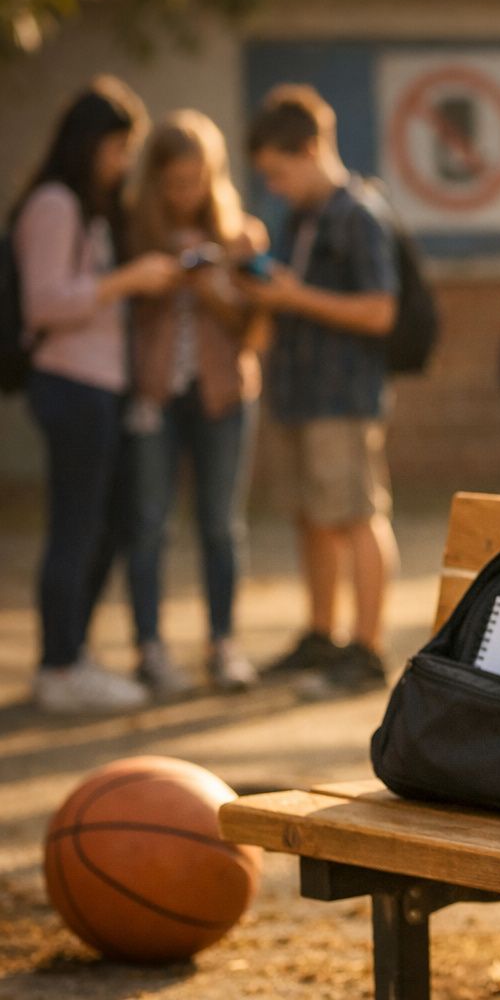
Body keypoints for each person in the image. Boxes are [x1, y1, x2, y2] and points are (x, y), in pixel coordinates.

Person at [15, 76, 183, 714]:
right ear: (90, 143)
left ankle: (74, 653)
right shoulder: (54, 204)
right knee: (76, 527)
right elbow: (45, 302)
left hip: (102, 387)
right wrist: (125, 281)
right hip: (69, 384)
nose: (123, 164)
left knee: (104, 526)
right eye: (118, 148)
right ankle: (59, 665)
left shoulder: (91, 208)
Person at [239, 84, 398, 694]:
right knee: (311, 517)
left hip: (344, 395)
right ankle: (322, 634)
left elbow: (381, 311)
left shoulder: (359, 213)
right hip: (296, 390)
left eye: (279, 172)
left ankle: (366, 648)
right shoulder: (299, 216)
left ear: (310, 149)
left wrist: (292, 296)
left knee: (354, 514)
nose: (273, 187)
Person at [124, 110, 267, 695]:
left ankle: (223, 643)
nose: (185, 194)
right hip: (155, 394)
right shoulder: (132, 233)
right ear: (155, 181)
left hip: (223, 395)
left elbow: (256, 327)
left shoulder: (242, 236)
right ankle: (150, 648)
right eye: (174, 183)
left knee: (220, 522)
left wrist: (212, 286)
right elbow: (118, 316)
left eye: (196, 181)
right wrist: (155, 280)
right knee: (150, 524)